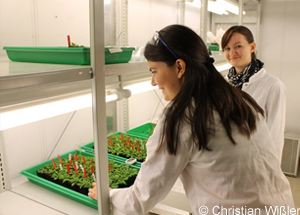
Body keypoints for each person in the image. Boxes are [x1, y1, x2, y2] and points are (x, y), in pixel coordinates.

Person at [88, 24, 294, 215]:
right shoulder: (240, 99)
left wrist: (108, 195)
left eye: (154, 71)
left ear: (179, 67)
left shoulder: (183, 116)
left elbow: (140, 199)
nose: (153, 82)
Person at [221, 25, 286, 161]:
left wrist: (272, 172)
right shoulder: (223, 85)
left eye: (238, 46)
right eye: (227, 48)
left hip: (256, 162)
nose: (232, 52)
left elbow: (275, 136)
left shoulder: (273, 85)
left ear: (252, 47)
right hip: (226, 160)